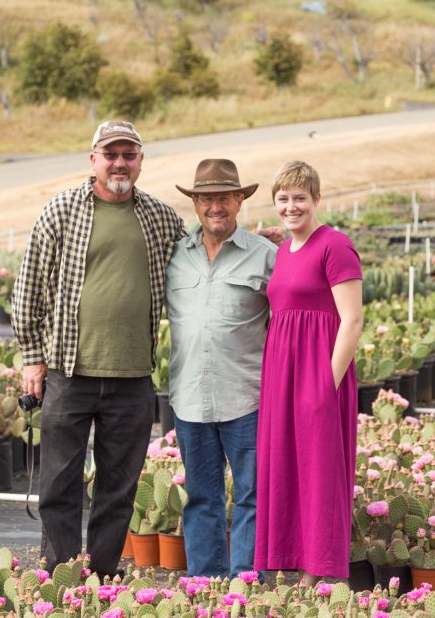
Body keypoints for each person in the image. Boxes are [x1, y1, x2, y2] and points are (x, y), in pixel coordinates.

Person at [12, 120, 186, 579]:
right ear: (93, 160)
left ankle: (104, 575)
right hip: (70, 372)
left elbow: (201, 254)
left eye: (129, 154)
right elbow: (29, 288)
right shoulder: (62, 210)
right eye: (111, 154)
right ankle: (61, 574)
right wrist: (33, 357)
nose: (120, 163)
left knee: (119, 487)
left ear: (141, 161)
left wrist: (257, 245)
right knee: (58, 484)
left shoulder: (160, 217)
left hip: (132, 375)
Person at [254, 160, 363, 584]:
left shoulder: (335, 246)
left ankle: (316, 572)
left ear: (317, 199)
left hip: (319, 373)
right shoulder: (283, 250)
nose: (291, 206)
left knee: (319, 471)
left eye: (300, 197)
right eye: (283, 198)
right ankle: (290, 561)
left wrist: (325, 385)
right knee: (285, 466)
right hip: (282, 373)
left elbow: (351, 321)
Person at [165, 159, 276, 577]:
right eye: (206, 198)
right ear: (194, 203)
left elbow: (295, 311)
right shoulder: (174, 257)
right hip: (189, 397)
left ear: (239, 201)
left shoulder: (266, 256)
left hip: (246, 398)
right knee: (201, 497)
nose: (216, 206)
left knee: (252, 496)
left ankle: (244, 584)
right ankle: (206, 584)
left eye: (224, 197)